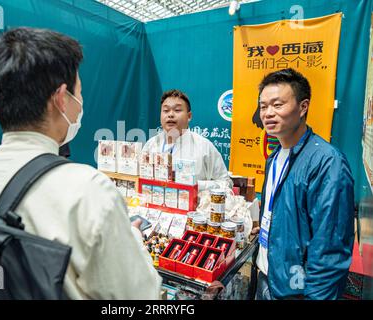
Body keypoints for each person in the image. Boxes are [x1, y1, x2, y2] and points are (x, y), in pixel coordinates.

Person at [0, 27, 161, 299]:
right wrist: (132, 240)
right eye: (80, 93)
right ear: (62, 99)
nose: (81, 103)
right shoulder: (88, 192)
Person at [254, 68, 354, 300]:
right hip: (267, 273)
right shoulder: (274, 157)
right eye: (263, 106)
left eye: (277, 105)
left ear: (303, 107)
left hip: (295, 288)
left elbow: (330, 250)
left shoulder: (328, 163)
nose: (268, 113)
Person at [142, 89, 232, 191]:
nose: (170, 114)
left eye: (177, 110)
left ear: (189, 116)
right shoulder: (151, 145)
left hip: (194, 205)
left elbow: (226, 184)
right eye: (166, 111)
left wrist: (195, 185)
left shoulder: (204, 147)